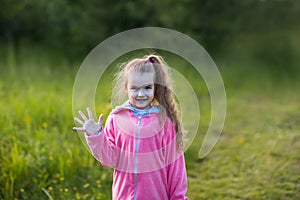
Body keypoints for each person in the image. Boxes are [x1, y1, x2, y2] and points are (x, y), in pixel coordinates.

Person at [73, 54, 188, 200]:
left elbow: (176, 166)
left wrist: (178, 197)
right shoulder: (116, 119)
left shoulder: (163, 122)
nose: (141, 94)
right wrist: (96, 135)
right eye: (134, 88)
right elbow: (110, 159)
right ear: (126, 88)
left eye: (147, 87)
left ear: (155, 88)